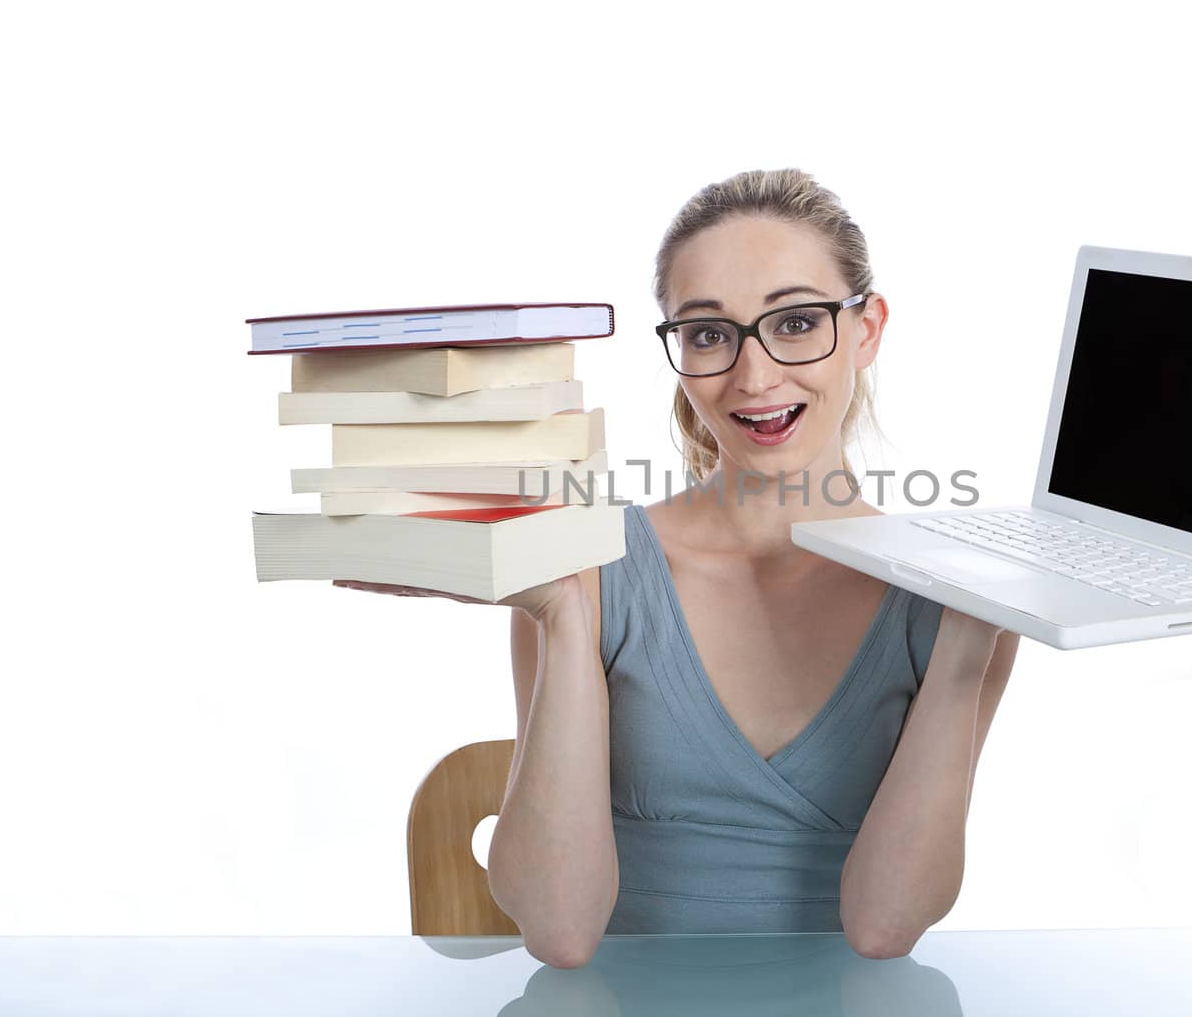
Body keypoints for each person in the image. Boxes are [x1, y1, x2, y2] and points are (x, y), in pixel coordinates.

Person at [340, 168, 1018, 968]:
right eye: (708, 334)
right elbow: (559, 931)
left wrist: (973, 628)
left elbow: (885, 926)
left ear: (867, 328)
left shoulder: (952, 599)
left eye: (796, 322)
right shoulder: (590, 568)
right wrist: (559, 614)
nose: (755, 376)